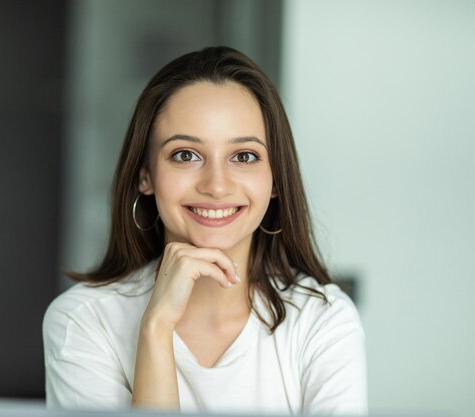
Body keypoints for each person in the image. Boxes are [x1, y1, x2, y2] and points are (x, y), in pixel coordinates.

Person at [43, 46, 367, 415]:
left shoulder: (323, 321)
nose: (216, 185)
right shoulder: (83, 321)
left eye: (244, 156)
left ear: (275, 180)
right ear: (145, 175)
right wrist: (156, 327)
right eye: (185, 155)